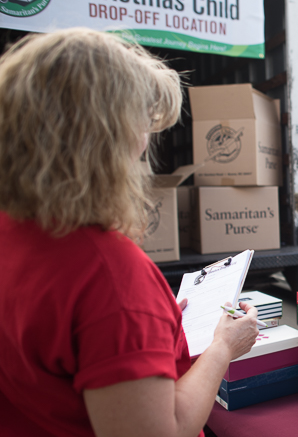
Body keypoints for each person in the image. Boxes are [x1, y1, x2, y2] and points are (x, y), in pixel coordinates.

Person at [0, 28, 260, 437]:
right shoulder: (109, 276)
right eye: (142, 124)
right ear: (105, 137)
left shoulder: (13, 229)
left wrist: (151, 331)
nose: (145, 145)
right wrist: (223, 347)